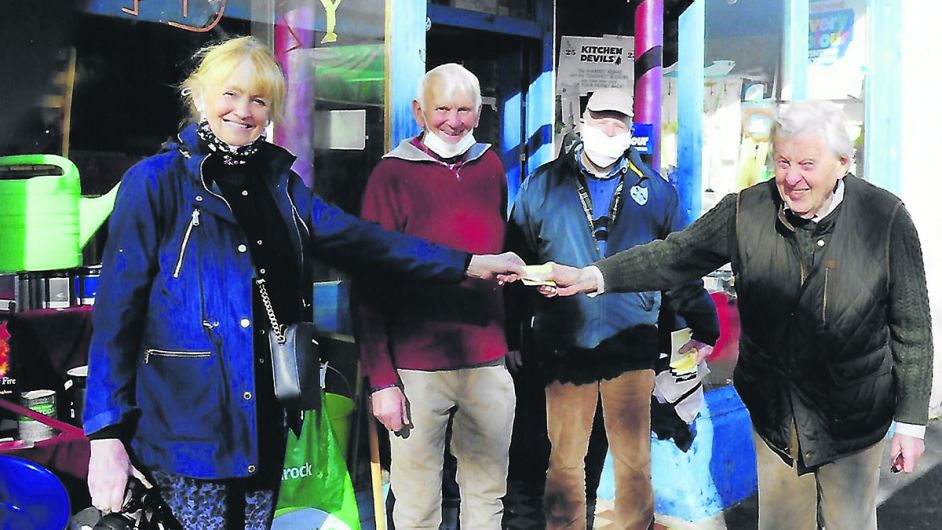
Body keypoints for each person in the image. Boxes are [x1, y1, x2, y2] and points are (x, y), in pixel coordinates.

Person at [82, 37, 524, 530]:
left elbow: (365, 242)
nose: (243, 111)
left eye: (259, 100)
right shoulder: (155, 182)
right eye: (230, 95)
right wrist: (106, 436)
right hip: (186, 427)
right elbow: (115, 318)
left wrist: (465, 263)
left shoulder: (279, 184)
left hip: (263, 425)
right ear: (200, 95)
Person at [538, 99, 933, 530]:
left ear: (842, 163)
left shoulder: (885, 217)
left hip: (854, 414)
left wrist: (910, 423)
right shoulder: (747, 210)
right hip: (776, 415)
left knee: (849, 524)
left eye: (807, 164)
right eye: (782, 162)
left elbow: (912, 326)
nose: (792, 177)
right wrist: (595, 275)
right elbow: (676, 255)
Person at [505, 88, 719, 530]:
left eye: (618, 121)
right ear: (580, 122)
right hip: (565, 346)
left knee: (634, 466)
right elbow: (516, 264)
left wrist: (701, 327)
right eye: (599, 118)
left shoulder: (656, 192)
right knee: (564, 463)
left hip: (632, 345)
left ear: (630, 128)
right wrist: (512, 335)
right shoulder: (542, 185)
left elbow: (678, 266)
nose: (608, 128)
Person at [355, 63, 516, 530]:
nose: (453, 120)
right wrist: (381, 380)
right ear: (418, 111)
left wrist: (513, 341)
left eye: (464, 109)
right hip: (414, 372)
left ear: (479, 113)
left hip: (487, 364)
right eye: (441, 108)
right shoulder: (391, 175)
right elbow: (369, 281)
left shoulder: (490, 165)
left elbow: (501, 248)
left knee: (488, 498)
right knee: (416, 506)